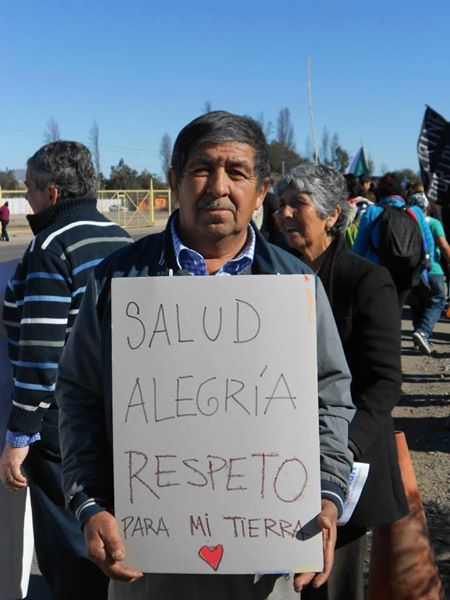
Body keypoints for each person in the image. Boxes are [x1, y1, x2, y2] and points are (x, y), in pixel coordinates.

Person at [55, 111, 355, 599]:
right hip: (145, 558)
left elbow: (331, 397)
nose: (218, 186)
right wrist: (90, 503)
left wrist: (326, 494)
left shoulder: (294, 286)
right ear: (174, 181)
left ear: (261, 191)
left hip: (266, 560)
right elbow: (79, 395)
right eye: (202, 169)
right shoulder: (116, 280)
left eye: (236, 172)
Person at [0, 141, 133, 599]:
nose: (27, 199)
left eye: (30, 191)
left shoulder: (51, 246)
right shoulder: (119, 236)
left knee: (68, 540)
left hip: (63, 422)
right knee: (105, 527)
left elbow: (41, 351)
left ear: (52, 194)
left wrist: (19, 437)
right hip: (117, 407)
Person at [276, 164, 408, 600]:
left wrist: (338, 449)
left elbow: (384, 383)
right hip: (273, 463)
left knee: (331, 585)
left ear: (333, 214)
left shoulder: (367, 281)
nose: (285, 214)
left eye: (299, 204)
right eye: (282, 205)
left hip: (346, 461)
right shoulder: (265, 279)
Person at [353, 171, 434, 310]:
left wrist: (355, 272)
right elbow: (428, 242)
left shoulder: (373, 212)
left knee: (380, 312)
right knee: (397, 310)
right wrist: (427, 267)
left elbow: (360, 246)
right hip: (408, 271)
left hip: (378, 271)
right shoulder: (415, 212)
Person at [407, 192, 450, 355]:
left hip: (412, 270)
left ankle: (419, 339)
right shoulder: (433, 223)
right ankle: (423, 332)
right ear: (426, 207)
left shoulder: (406, 222)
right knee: (437, 301)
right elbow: (444, 246)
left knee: (417, 304)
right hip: (433, 270)